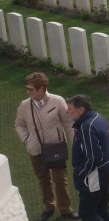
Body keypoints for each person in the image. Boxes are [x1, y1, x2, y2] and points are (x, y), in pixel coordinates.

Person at [15, 72, 79, 221]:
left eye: (30, 89)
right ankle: (49, 206)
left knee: (60, 181)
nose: (27, 92)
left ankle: (65, 209)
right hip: (35, 149)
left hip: (55, 147)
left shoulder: (57, 101)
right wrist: (26, 139)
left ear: (41, 88)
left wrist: (74, 143)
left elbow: (68, 123)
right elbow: (19, 124)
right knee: (43, 180)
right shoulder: (25, 105)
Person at [67, 95, 109, 221]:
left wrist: (80, 174)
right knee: (102, 208)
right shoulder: (99, 117)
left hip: (94, 177)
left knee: (87, 214)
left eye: (70, 109)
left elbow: (93, 158)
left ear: (81, 110)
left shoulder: (86, 127)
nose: (67, 111)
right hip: (107, 172)